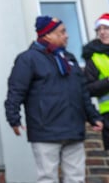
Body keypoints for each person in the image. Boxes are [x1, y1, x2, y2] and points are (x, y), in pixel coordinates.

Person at [6, 15, 103, 182]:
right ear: (47, 35)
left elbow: (82, 92)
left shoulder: (69, 59)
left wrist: (93, 117)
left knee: (76, 178)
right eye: (62, 32)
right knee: (47, 178)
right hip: (45, 130)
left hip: (73, 129)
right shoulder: (28, 59)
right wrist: (14, 119)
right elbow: (16, 91)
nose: (67, 35)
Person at [82, 13, 109, 151]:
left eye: (106, 28)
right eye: (99, 29)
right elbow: (88, 88)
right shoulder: (94, 58)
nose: (102, 32)